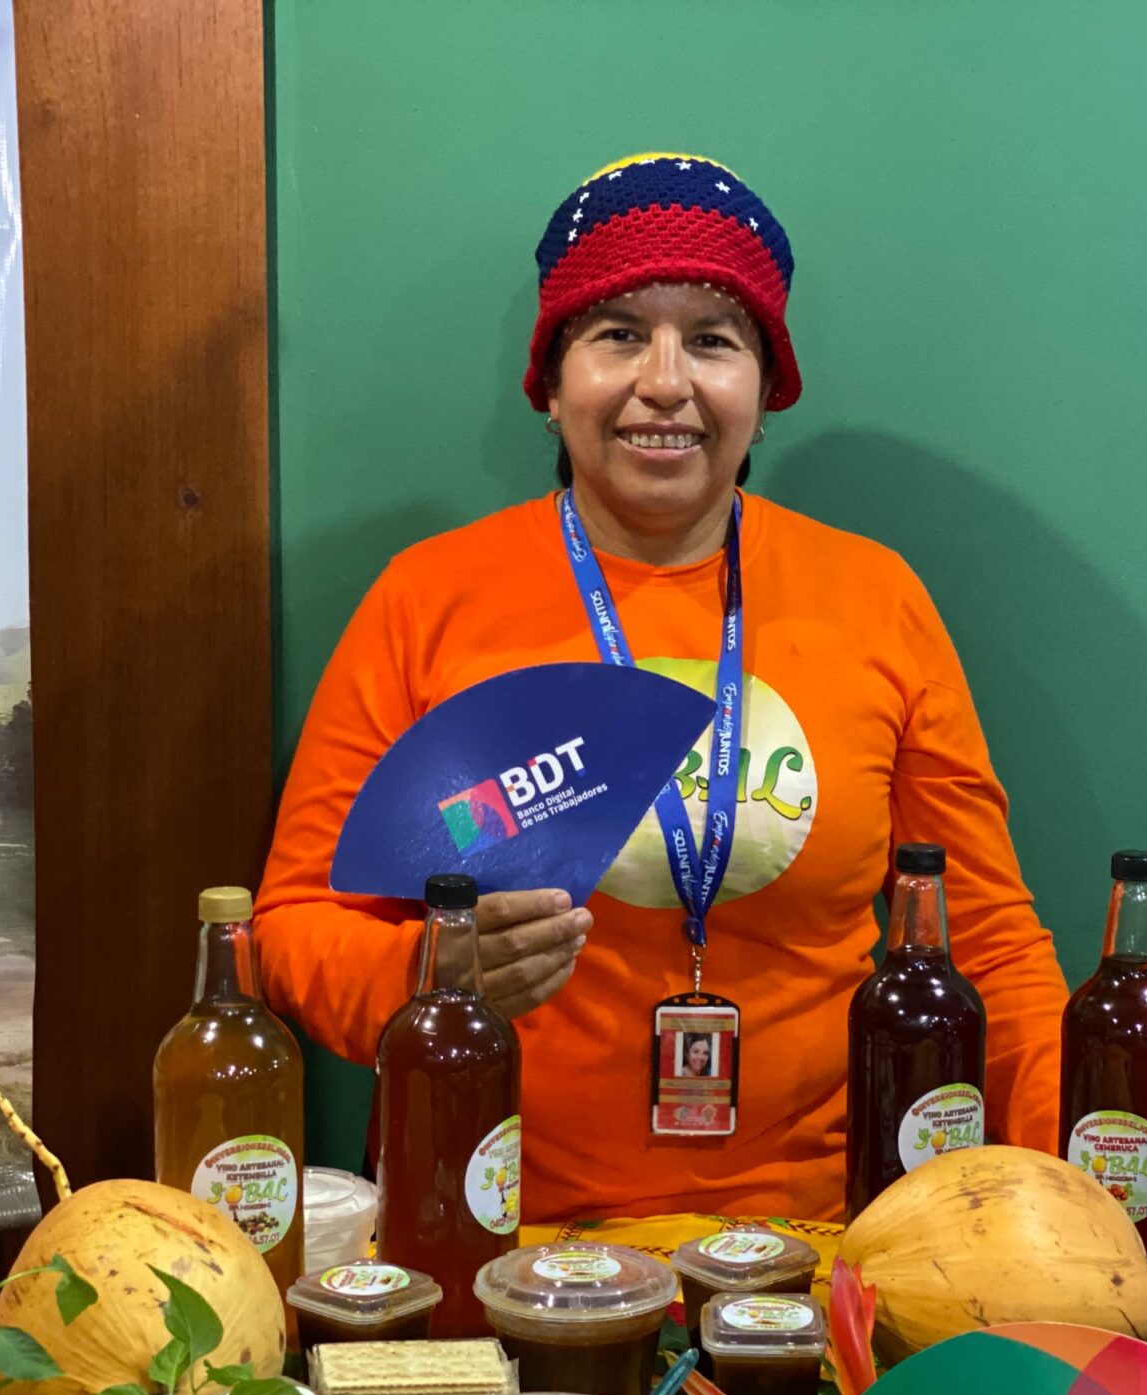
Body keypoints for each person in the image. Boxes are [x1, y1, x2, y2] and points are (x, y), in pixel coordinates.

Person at [255, 152, 1068, 1223]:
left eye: (714, 340)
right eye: (618, 333)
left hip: (830, 1231)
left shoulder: (874, 598)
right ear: (550, 386)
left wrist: (1076, 1187)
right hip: (493, 1226)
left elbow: (988, 946)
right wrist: (428, 978)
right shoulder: (429, 599)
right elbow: (296, 923)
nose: (666, 382)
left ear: (765, 394)